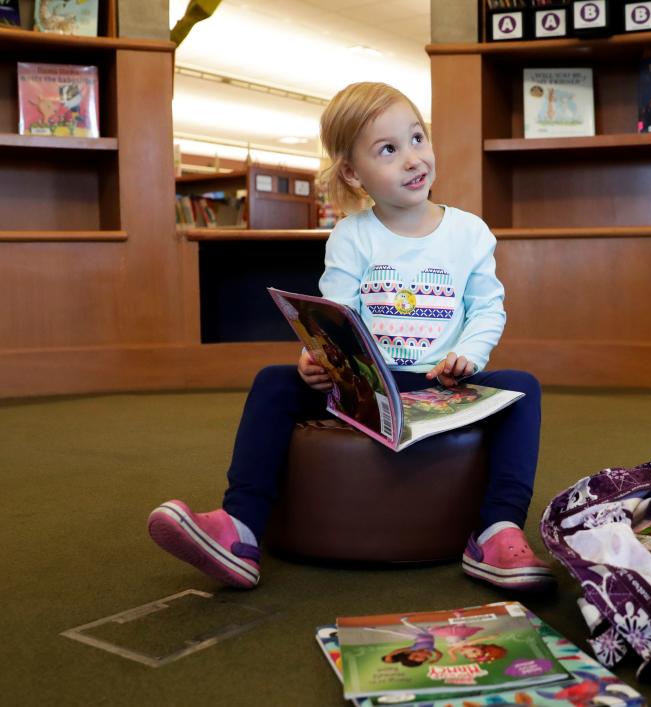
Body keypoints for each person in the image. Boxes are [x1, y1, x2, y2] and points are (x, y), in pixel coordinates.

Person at [147, 81, 554, 592]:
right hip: (366, 384)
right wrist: (315, 356)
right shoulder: (352, 234)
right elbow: (334, 312)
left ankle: (498, 529)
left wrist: (467, 356)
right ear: (352, 173)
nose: (412, 159)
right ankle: (240, 529)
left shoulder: (469, 232)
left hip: (439, 384)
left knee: (523, 387)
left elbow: (487, 309)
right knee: (274, 383)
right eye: (388, 150)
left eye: (416, 138)